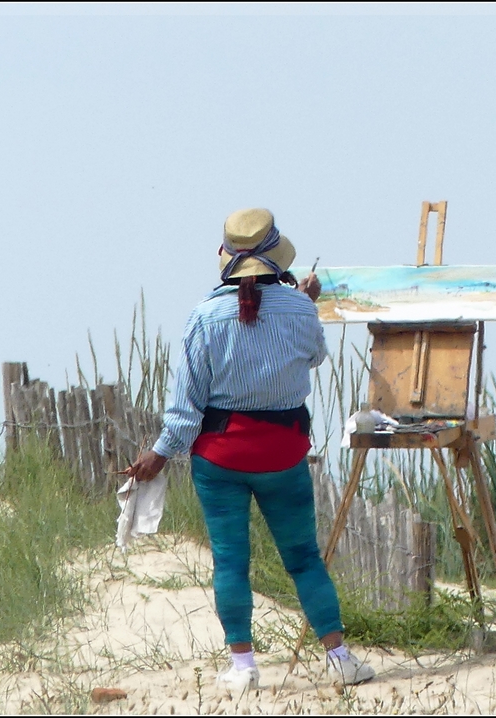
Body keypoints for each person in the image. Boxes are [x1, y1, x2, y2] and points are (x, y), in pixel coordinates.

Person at [125, 208, 375, 692]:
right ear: (276, 258)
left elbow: (186, 408)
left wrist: (158, 454)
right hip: (283, 454)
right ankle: (340, 657)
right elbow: (316, 356)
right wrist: (305, 304)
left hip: (219, 458)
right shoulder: (301, 309)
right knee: (303, 558)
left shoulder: (205, 315)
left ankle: (243, 667)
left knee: (231, 560)